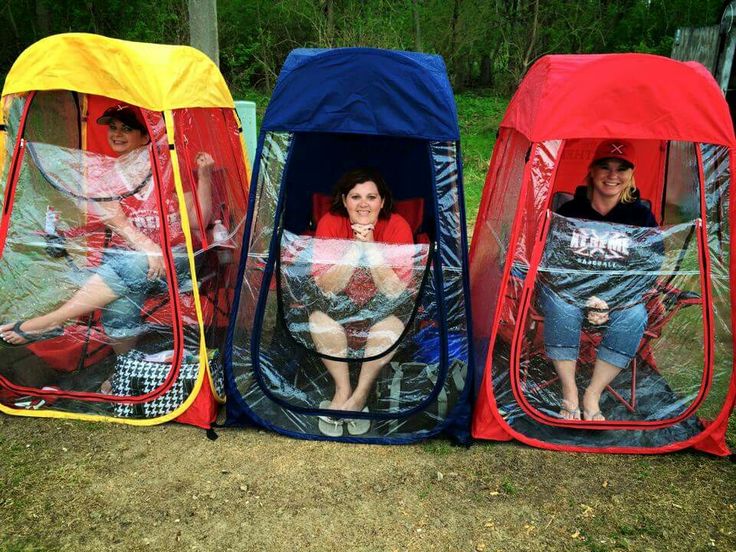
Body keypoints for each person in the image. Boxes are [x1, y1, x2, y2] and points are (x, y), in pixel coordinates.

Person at [0, 104, 215, 388]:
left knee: (129, 265)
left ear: (145, 136)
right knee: (122, 289)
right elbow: (117, 222)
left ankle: (53, 320)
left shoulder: (168, 168)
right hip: (133, 268)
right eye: (112, 128)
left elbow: (197, 222)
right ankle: (124, 369)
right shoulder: (105, 175)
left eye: (126, 128)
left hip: (177, 262)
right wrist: (149, 248)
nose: (117, 134)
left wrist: (205, 176)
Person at [538, 140, 658, 422]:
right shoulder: (569, 212)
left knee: (634, 315)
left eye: (621, 168)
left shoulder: (641, 216)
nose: (612, 175)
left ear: (631, 174)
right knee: (561, 306)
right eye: (605, 167)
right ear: (592, 171)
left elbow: (649, 267)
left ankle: (592, 393)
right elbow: (552, 262)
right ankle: (569, 392)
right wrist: (583, 296)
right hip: (567, 291)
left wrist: (610, 301)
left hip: (617, 297)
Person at [309, 168, 414, 436]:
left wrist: (371, 247)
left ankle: (360, 396)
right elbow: (327, 286)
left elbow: (393, 291)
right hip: (339, 306)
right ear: (344, 201)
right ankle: (342, 389)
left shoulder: (398, 226)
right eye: (355, 197)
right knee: (318, 319)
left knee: (389, 327)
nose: (364, 204)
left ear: (382, 201)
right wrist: (355, 250)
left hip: (383, 309)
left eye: (371, 197)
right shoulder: (330, 222)